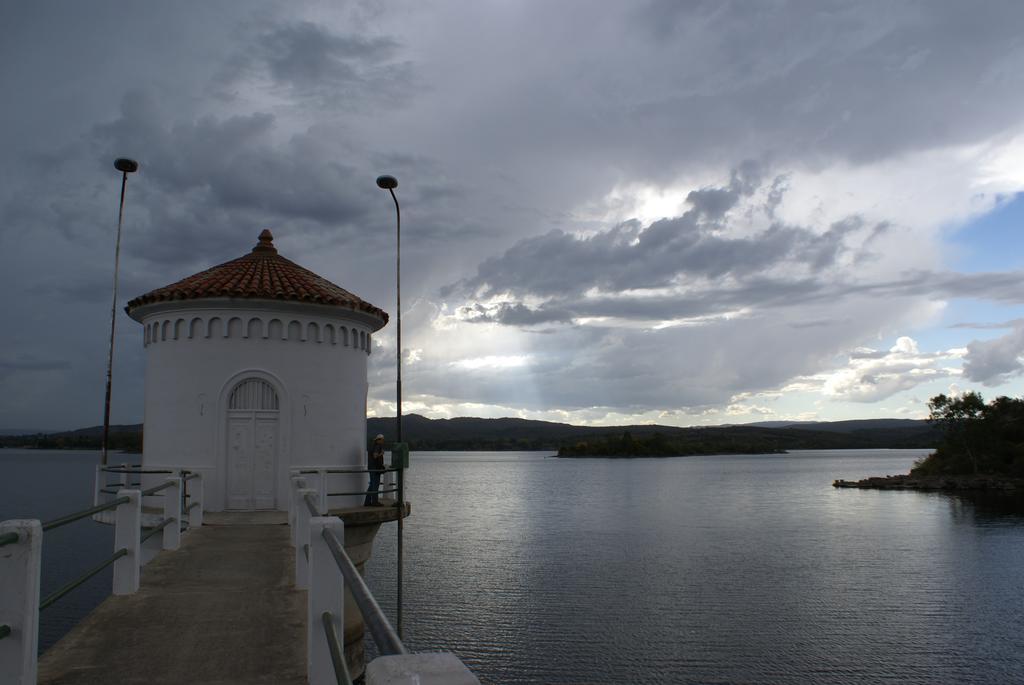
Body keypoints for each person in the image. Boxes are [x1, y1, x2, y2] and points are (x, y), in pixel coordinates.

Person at [364, 434, 386, 506]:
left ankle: (367, 502)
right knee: (375, 485)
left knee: (372, 485)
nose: (383, 441)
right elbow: (375, 456)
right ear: (378, 440)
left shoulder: (373, 446)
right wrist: (381, 453)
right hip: (375, 468)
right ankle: (375, 502)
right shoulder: (377, 446)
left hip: (372, 467)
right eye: (382, 439)